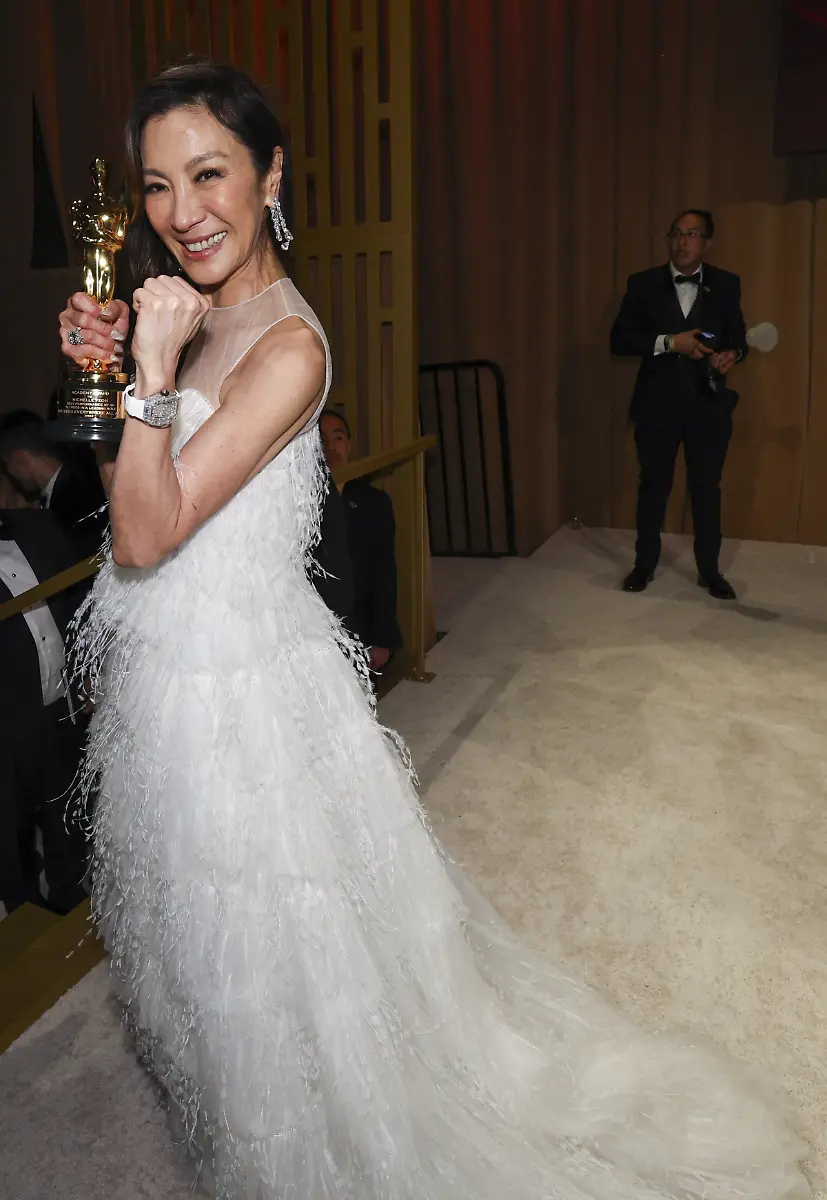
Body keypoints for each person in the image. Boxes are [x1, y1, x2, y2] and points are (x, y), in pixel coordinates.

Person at [58, 64, 808, 1198]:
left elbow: (144, 532)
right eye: (158, 184)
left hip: (243, 702)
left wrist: (148, 373)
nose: (181, 211)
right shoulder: (198, 310)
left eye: (209, 174)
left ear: (270, 176)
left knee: (271, 954)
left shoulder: (289, 347)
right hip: (178, 676)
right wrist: (115, 365)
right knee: (205, 953)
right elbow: (147, 488)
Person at [610, 209, 748, 599]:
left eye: (691, 234)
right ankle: (644, 565)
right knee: (654, 486)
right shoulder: (643, 283)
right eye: (676, 234)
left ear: (707, 242)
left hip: (709, 404)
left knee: (706, 489)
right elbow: (619, 341)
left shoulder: (726, 283)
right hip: (657, 403)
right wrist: (670, 342)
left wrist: (732, 354)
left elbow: (737, 338)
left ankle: (710, 571)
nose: (682, 242)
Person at [0, 475, 89, 916]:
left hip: (63, 710)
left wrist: (90, 671)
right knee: (11, 854)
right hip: (6, 732)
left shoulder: (37, 527)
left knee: (69, 828)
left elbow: (81, 601)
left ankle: (74, 912)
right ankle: (26, 925)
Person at [320, 408, 402, 671]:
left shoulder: (373, 502)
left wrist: (381, 639)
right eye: (321, 439)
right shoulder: (298, 503)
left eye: (338, 438)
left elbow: (383, 572)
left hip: (359, 624)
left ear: (349, 446)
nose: (330, 447)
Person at [0, 411, 107, 559]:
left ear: (19, 457)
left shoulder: (77, 496)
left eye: (7, 464)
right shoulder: (75, 487)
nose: (10, 472)